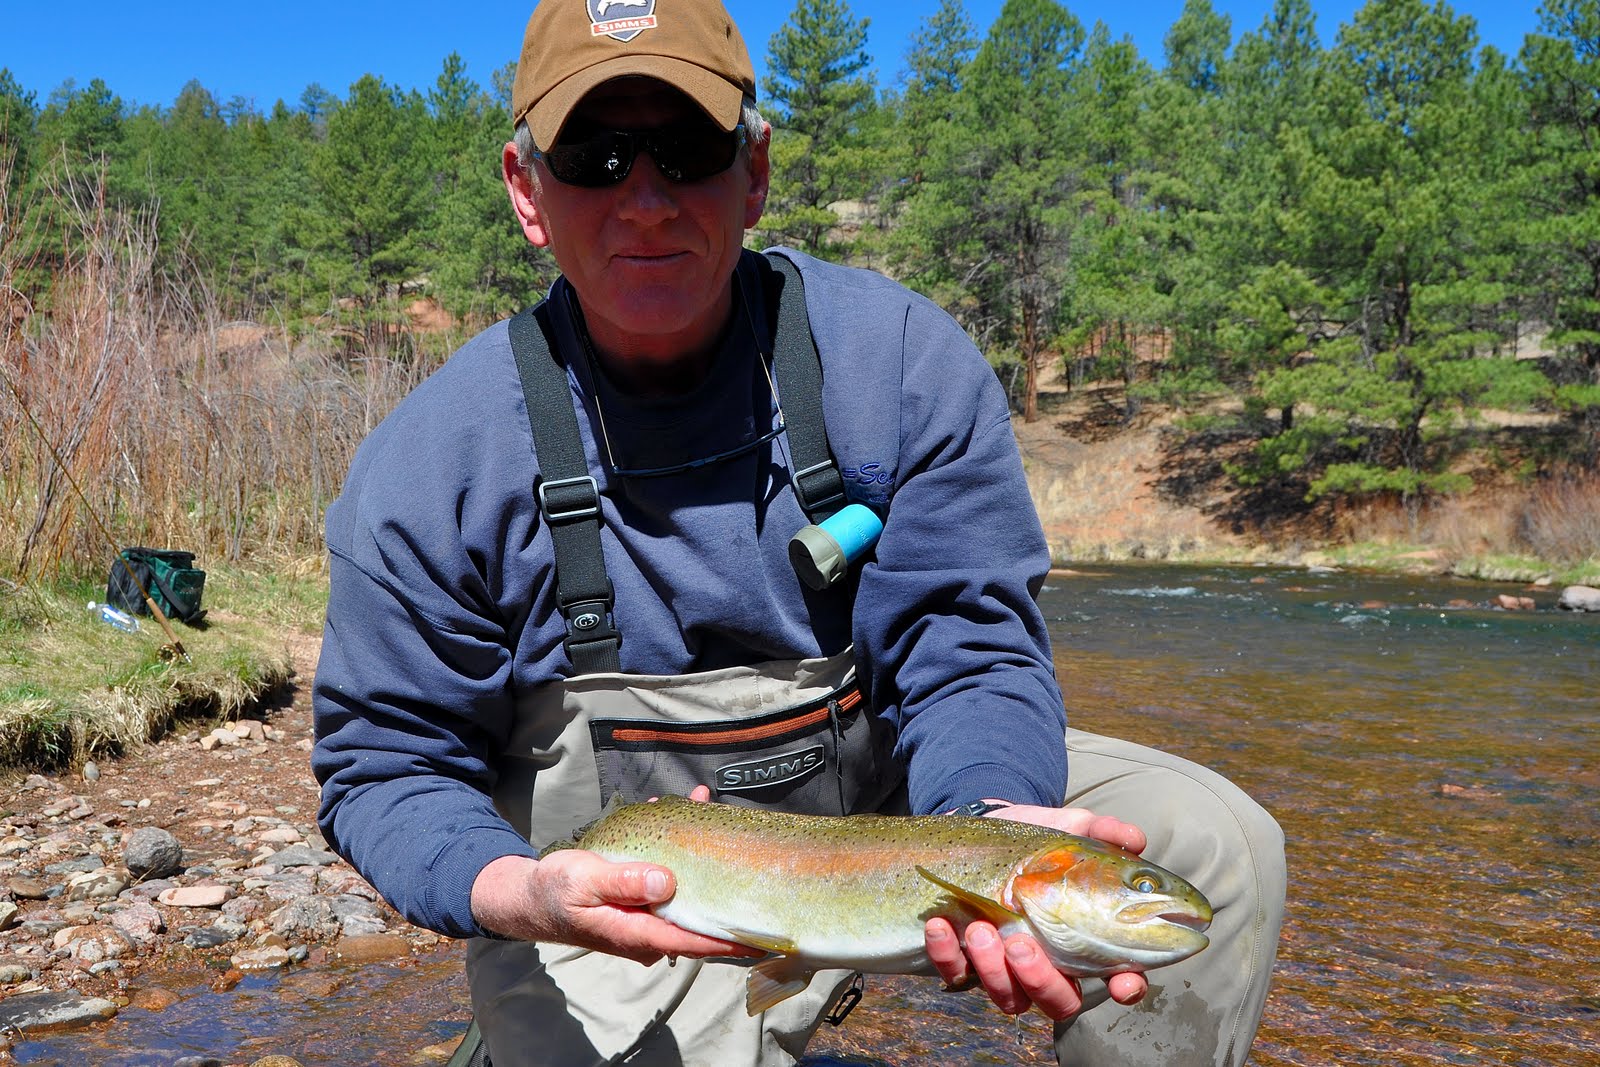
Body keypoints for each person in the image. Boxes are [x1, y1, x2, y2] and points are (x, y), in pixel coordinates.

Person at [311, 1, 1286, 1064]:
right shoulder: (435, 462)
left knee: (1217, 849)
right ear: (525, 191)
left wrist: (993, 824)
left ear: (755, 170)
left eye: (686, 150)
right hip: (614, 881)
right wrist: (521, 891)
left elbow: (969, 644)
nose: (644, 197)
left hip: (893, 813)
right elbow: (384, 762)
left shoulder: (899, 364)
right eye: (594, 155)